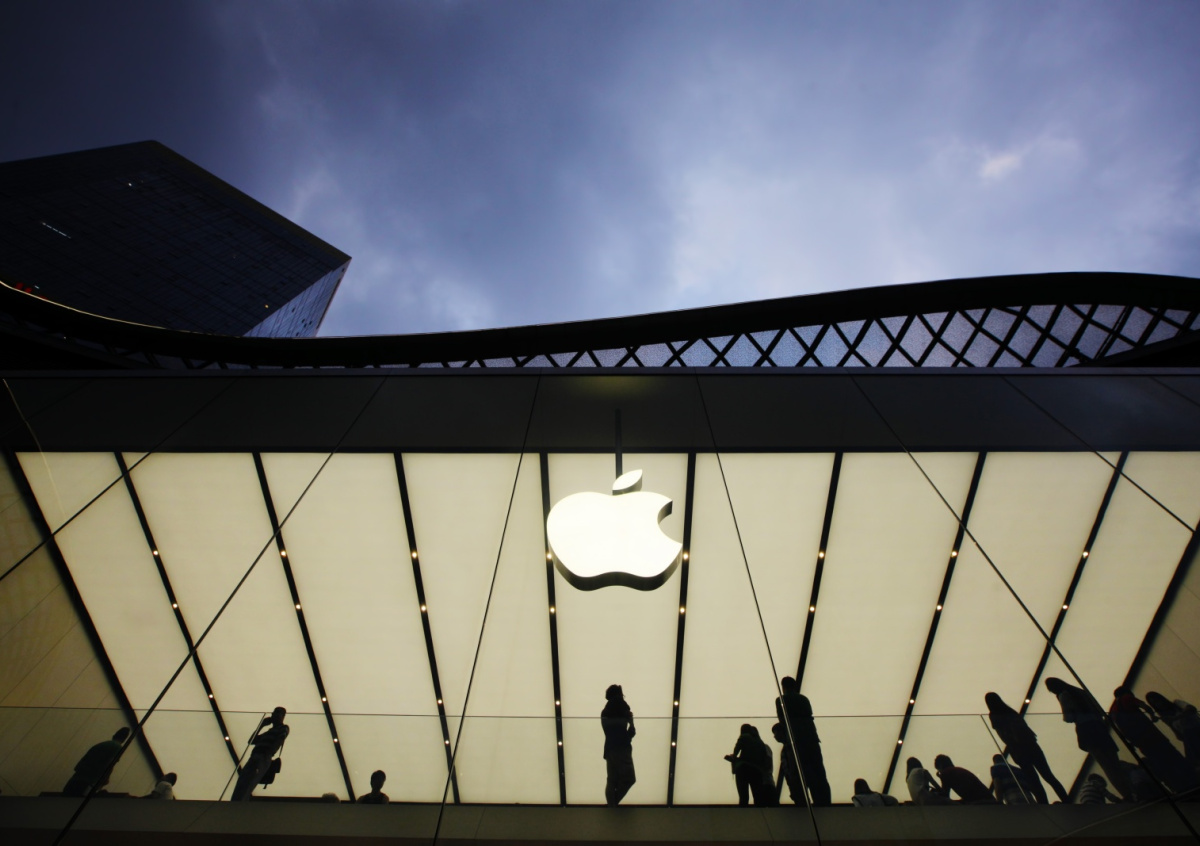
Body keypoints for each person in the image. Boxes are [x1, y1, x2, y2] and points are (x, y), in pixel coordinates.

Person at [1044, 678, 1131, 800]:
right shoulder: (1079, 691)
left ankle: (1127, 794)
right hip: (1099, 727)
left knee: (1107, 766)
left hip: (1086, 730)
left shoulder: (1064, 695)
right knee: (1114, 762)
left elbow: (1068, 718)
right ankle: (1132, 790)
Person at [1110, 687, 1197, 793]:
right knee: (1175, 758)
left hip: (1142, 745)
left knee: (1163, 766)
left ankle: (1180, 787)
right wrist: (1152, 715)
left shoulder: (1113, 712)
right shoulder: (1126, 698)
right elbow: (1144, 706)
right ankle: (1193, 779)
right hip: (1154, 737)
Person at [985, 692, 1067, 803]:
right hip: (1031, 746)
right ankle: (1066, 800)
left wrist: (1011, 743)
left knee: (1034, 781)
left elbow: (1002, 735)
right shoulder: (1010, 711)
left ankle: (1044, 804)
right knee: (1048, 776)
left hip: (1018, 751)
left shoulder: (994, 716)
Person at [775, 676, 831, 806]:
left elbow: (782, 720)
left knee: (798, 774)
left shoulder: (781, 700)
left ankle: (802, 803)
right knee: (818, 772)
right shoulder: (804, 699)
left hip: (795, 740)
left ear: (783, 687)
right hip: (811, 738)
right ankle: (823, 802)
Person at [231, 707, 289, 801]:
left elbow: (280, 740)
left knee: (250, 780)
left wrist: (269, 752)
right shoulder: (269, 732)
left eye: (278, 713)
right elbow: (251, 740)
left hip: (263, 756)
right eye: (274, 713)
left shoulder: (283, 728)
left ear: (283, 716)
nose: (275, 715)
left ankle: (240, 801)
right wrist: (261, 725)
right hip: (256, 756)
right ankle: (236, 800)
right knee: (243, 779)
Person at [62, 727, 130, 797]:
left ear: (114, 735)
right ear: (124, 740)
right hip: (88, 783)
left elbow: (77, 766)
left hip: (74, 780)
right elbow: (110, 764)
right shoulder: (117, 748)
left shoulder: (98, 745)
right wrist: (105, 779)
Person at [1145, 692, 1200, 772]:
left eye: (1157, 701)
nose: (1158, 704)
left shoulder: (1176, 704)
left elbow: (1191, 709)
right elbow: (1179, 737)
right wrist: (1170, 724)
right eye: (1155, 703)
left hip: (1196, 729)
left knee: (1188, 734)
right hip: (1191, 739)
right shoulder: (1165, 716)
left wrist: (1176, 718)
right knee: (1188, 737)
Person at [601, 684, 636, 806]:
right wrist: (631, 723)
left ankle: (611, 806)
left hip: (609, 748)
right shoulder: (621, 706)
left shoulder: (605, 711)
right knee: (629, 778)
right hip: (622, 747)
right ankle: (613, 804)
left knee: (611, 780)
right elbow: (631, 732)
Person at [724, 724, 774, 806]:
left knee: (743, 796)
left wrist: (734, 756)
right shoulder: (761, 743)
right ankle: (759, 811)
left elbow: (737, 748)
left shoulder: (744, 736)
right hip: (757, 771)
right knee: (757, 796)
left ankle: (744, 811)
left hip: (743, 769)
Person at [771, 723, 805, 806]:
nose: (774, 736)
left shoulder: (789, 748)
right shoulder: (788, 748)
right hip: (792, 780)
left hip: (794, 779)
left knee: (800, 799)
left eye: (775, 733)